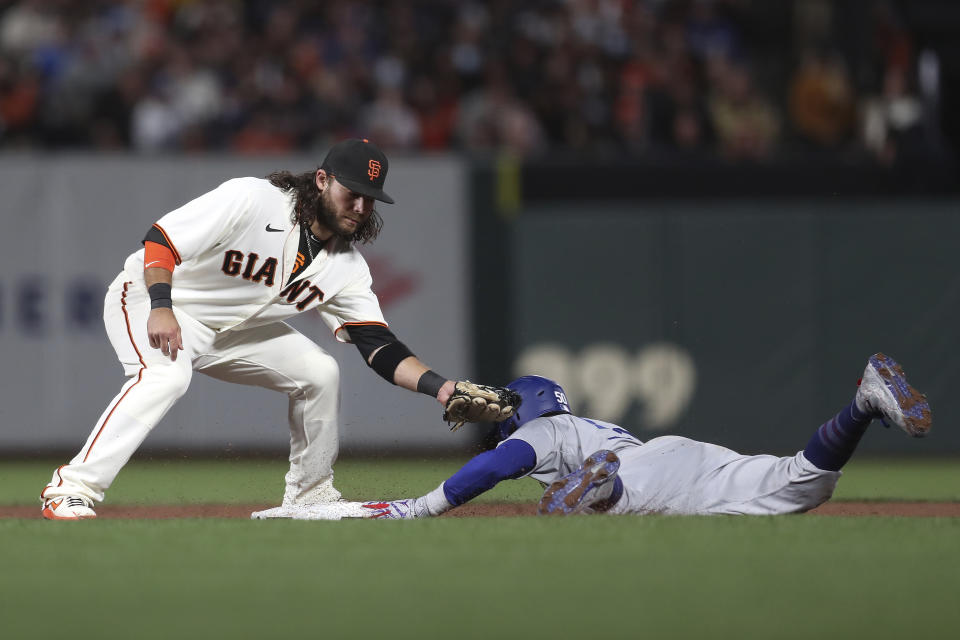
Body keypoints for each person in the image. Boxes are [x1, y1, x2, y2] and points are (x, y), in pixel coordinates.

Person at [40, 138, 495, 520]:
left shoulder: (347, 267)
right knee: (166, 376)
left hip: (231, 329)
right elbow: (163, 238)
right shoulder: (254, 199)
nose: (359, 206)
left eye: (368, 198)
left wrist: (441, 388)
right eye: (350, 192)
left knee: (320, 372)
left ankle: (309, 495)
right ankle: (70, 488)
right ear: (322, 180)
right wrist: (161, 306)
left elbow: (380, 346)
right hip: (153, 297)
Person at [353, 353, 931, 519]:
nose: (500, 419)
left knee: (604, 508)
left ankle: (601, 494)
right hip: (680, 455)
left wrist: (421, 507)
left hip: (633, 474)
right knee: (804, 483)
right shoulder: (582, 424)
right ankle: (861, 403)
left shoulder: (546, 431)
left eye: (507, 411)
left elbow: (496, 468)